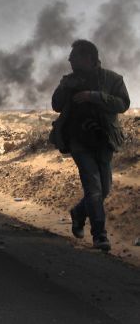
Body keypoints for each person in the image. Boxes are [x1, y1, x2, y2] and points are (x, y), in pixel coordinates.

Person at [50, 39, 129, 252]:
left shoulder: (113, 79)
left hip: (104, 140)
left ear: (88, 58)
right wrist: (64, 87)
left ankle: (78, 213)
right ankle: (100, 236)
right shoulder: (69, 81)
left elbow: (122, 104)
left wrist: (93, 96)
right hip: (79, 141)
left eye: (74, 56)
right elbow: (56, 105)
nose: (69, 59)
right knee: (93, 188)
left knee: (104, 190)